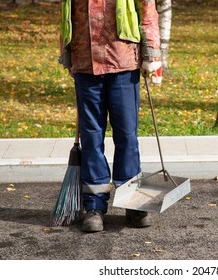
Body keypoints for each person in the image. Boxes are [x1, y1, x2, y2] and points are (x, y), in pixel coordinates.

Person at [59, 0, 162, 232]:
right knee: (91, 138)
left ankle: (134, 203)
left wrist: (152, 55)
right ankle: (94, 207)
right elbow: (66, 14)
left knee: (126, 136)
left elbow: (147, 10)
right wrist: (66, 53)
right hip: (86, 64)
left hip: (123, 61)